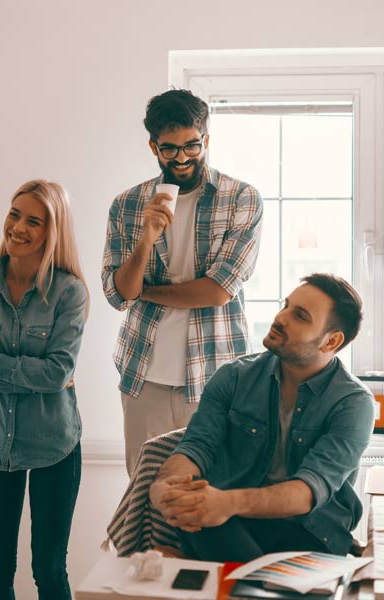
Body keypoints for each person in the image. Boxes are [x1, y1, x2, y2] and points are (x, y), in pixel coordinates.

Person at [149, 273, 374, 562]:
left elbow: (308, 491)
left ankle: (201, 569)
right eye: (286, 305)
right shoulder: (233, 377)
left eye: (300, 316)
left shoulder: (353, 403)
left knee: (222, 543)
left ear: (331, 341)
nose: (281, 318)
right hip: (229, 523)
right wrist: (166, 487)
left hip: (310, 530)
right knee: (197, 515)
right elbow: (196, 447)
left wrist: (225, 502)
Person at [102, 89, 263, 474]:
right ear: (153, 146)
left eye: (192, 146)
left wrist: (147, 292)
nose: (183, 158)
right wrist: (146, 237)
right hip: (143, 376)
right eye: (169, 149)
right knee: (144, 498)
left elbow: (218, 291)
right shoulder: (127, 204)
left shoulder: (241, 198)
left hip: (216, 379)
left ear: (205, 139)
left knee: (210, 495)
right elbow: (119, 295)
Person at [0, 179, 88, 600]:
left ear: (53, 231)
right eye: (14, 215)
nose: (18, 228)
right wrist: (35, 373)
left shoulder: (69, 292)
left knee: (48, 570)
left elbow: (57, 372)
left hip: (54, 446)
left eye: (34, 221)